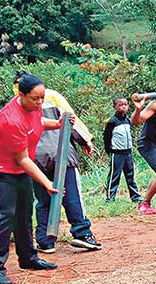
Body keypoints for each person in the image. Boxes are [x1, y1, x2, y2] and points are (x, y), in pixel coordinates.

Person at [0, 72, 64, 284]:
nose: (40, 102)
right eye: (36, 98)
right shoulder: (10, 119)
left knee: (25, 214)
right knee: (3, 216)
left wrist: (58, 124)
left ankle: (28, 258)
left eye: (42, 97)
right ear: (22, 95)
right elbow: (23, 159)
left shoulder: (32, 107)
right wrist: (47, 183)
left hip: (19, 170)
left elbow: (38, 121)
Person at [32, 87, 102, 253]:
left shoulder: (18, 101)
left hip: (34, 157)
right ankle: (82, 233)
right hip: (61, 152)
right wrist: (85, 141)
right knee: (72, 195)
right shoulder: (51, 96)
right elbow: (71, 120)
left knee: (43, 199)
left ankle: (45, 240)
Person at [103, 97, 142, 202]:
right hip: (117, 153)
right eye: (120, 105)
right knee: (114, 175)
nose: (123, 107)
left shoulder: (127, 120)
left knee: (130, 175)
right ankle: (110, 197)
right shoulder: (112, 121)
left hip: (128, 152)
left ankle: (136, 197)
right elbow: (106, 137)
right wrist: (110, 151)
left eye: (125, 104)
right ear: (115, 106)